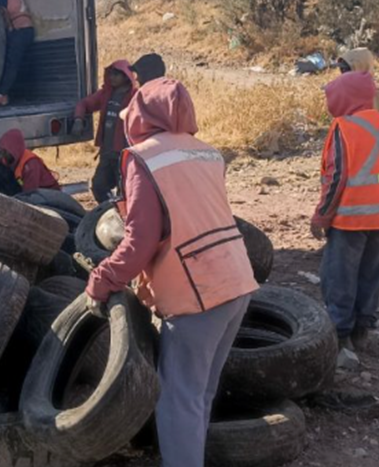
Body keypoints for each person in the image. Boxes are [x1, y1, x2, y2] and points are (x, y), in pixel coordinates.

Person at [84, 70, 258, 467]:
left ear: (140, 114)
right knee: (199, 394)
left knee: (178, 401)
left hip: (198, 294)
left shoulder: (144, 159)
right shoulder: (206, 152)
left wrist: (102, 279)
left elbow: (141, 240)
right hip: (237, 281)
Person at [311, 71, 379, 358]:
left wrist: (321, 216)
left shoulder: (344, 127)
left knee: (340, 277)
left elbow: (336, 177)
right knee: (371, 275)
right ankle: (361, 330)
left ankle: (340, 337)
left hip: (351, 218)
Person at [73, 59, 141, 203]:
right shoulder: (106, 94)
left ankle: (123, 213)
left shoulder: (135, 96)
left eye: (116, 74)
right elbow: (84, 104)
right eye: (111, 74)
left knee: (125, 191)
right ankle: (110, 209)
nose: (112, 77)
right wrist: (78, 119)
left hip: (124, 154)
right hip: (107, 153)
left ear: (126, 76)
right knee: (98, 186)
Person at [338, 48, 379, 114]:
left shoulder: (376, 94)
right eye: (343, 70)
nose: (344, 74)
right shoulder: (342, 90)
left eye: (348, 69)